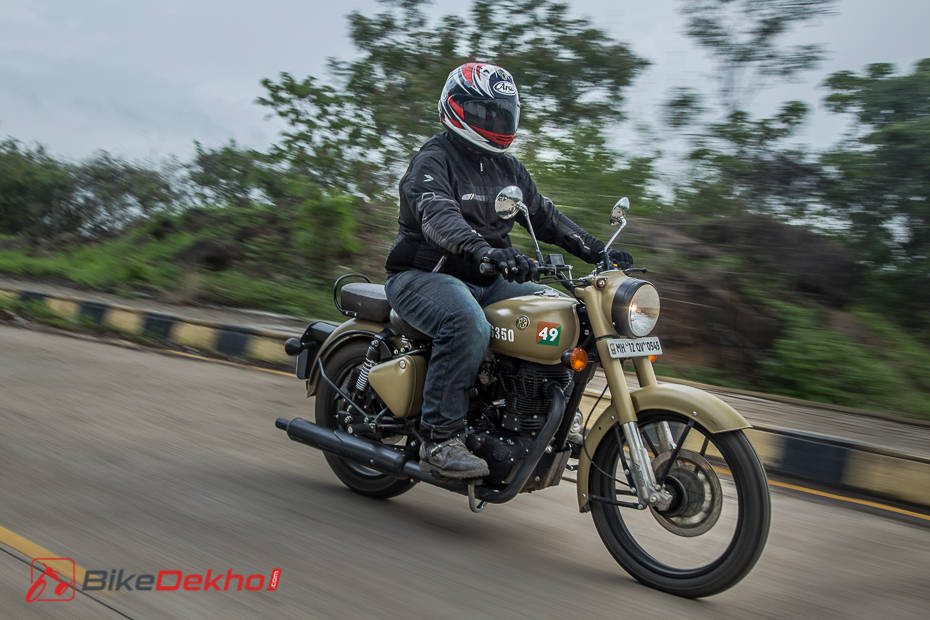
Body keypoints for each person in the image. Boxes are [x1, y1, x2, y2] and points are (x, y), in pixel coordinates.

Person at [384, 62, 634, 479]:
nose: (496, 121)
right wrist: (484, 250)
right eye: (486, 113)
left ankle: (539, 417)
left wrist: (595, 250)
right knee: (467, 324)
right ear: (458, 109)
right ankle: (439, 438)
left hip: (487, 279)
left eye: (503, 112)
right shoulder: (432, 160)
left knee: (570, 314)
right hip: (422, 276)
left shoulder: (509, 169)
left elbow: (546, 218)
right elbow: (438, 217)